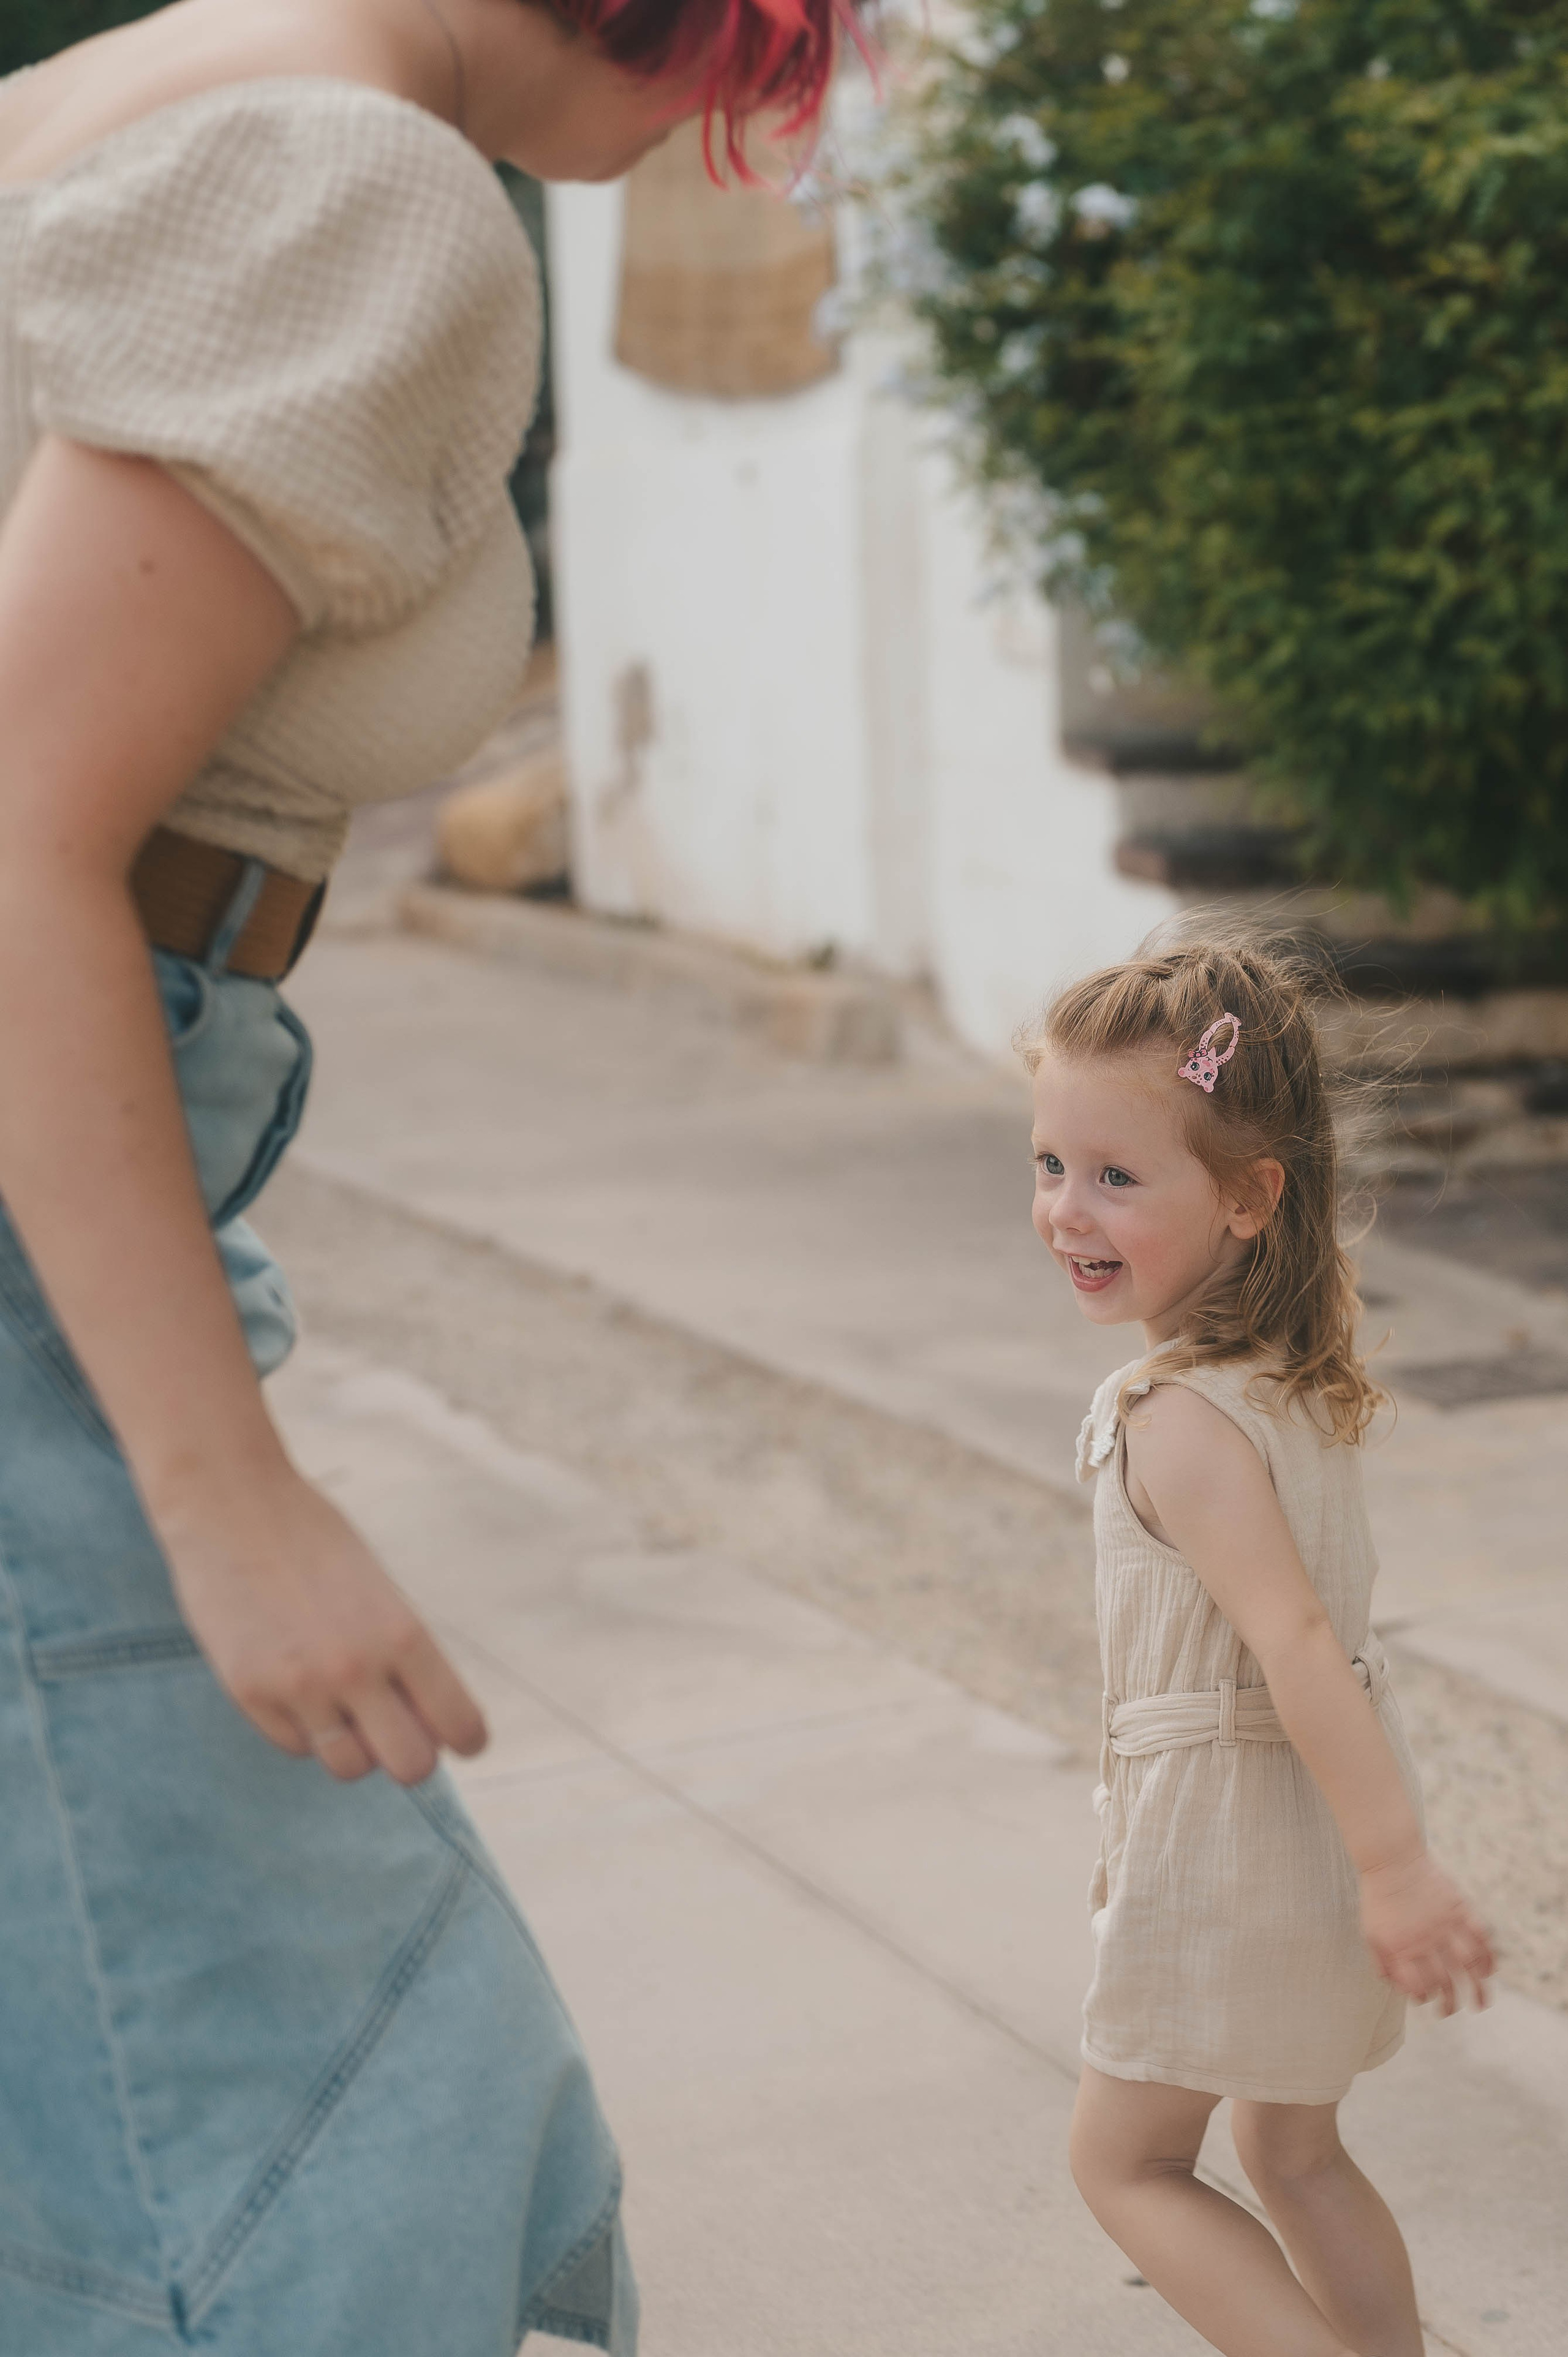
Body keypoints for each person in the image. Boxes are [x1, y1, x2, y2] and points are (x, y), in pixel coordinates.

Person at [0, 1, 853, 2350]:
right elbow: (15, 837)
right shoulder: (369, 185)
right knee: (294, 2145)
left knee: (178, 2110)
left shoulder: (132, 87)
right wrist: (224, 1496)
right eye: (778, 47)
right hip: (50, 1185)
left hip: (107, 1140)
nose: (740, 113)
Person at [1026, 926, 1495, 2357]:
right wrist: (1376, 1858)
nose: (1067, 1210)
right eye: (1049, 1164)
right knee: (1290, 2151)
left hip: (1235, 1847)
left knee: (1124, 2162)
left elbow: (1290, 1639)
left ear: (1247, 1197)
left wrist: (1400, 1870)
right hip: (1308, 1831)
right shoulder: (1288, 1385)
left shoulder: (1174, 1414)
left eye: (1116, 1175)